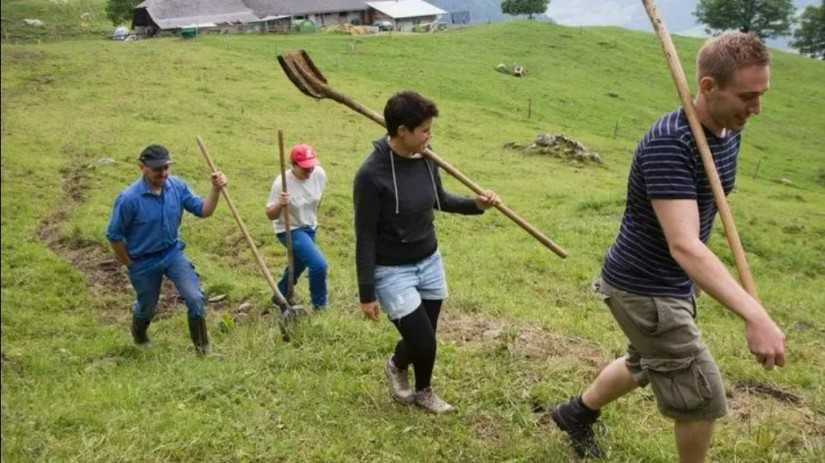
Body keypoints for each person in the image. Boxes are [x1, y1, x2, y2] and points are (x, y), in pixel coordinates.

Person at [550, 32, 786, 461]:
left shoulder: (729, 130)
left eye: (762, 94)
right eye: (747, 96)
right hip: (644, 289)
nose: (757, 109)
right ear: (709, 87)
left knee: (644, 362)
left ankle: (575, 413)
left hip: (673, 284)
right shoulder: (671, 143)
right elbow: (685, 245)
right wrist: (756, 315)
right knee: (700, 395)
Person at [353, 91, 499, 413]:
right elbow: (364, 236)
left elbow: (440, 200)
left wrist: (477, 204)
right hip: (392, 270)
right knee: (424, 340)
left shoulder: (427, 158)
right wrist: (366, 294)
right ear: (402, 131)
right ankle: (424, 392)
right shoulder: (371, 175)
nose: (429, 136)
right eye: (423, 130)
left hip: (429, 260)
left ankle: (396, 363)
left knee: (424, 335)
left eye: (430, 130)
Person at [106, 144, 227, 355]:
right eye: (157, 169)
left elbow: (203, 210)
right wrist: (128, 263)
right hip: (142, 261)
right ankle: (140, 336)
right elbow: (114, 236)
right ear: (142, 167)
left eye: (166, 168)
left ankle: (203, 350)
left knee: (195, 298)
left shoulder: (177, 187)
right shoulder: (128, 199)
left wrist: (215, 190)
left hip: (172, 253)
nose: (163, 173)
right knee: (147, 307)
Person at [265, 144, 328, 311]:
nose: (310, 171)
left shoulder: (319, 174)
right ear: (293, 165)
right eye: (305, 168)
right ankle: (320, 306)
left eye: (312, 166)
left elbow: (317, 201)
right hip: (289, 229)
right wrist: (280, 203)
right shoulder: (282, 183)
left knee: (299, 264)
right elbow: (270, 214)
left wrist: (313, 221)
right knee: (318, 264)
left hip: (309, 226)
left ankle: (280, 294)